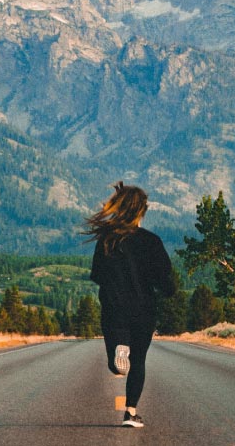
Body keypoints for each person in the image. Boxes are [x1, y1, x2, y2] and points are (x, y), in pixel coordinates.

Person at [86, 182, 175, 429]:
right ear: (142, 211)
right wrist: (168, 291)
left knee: (115, 360)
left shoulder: (107, 240)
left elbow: (97, 275)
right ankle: (130, 413)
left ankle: (118, 350)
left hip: (114, 306)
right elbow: (164, 279)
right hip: (143, 308)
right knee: (139, 362)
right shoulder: (152, 241)